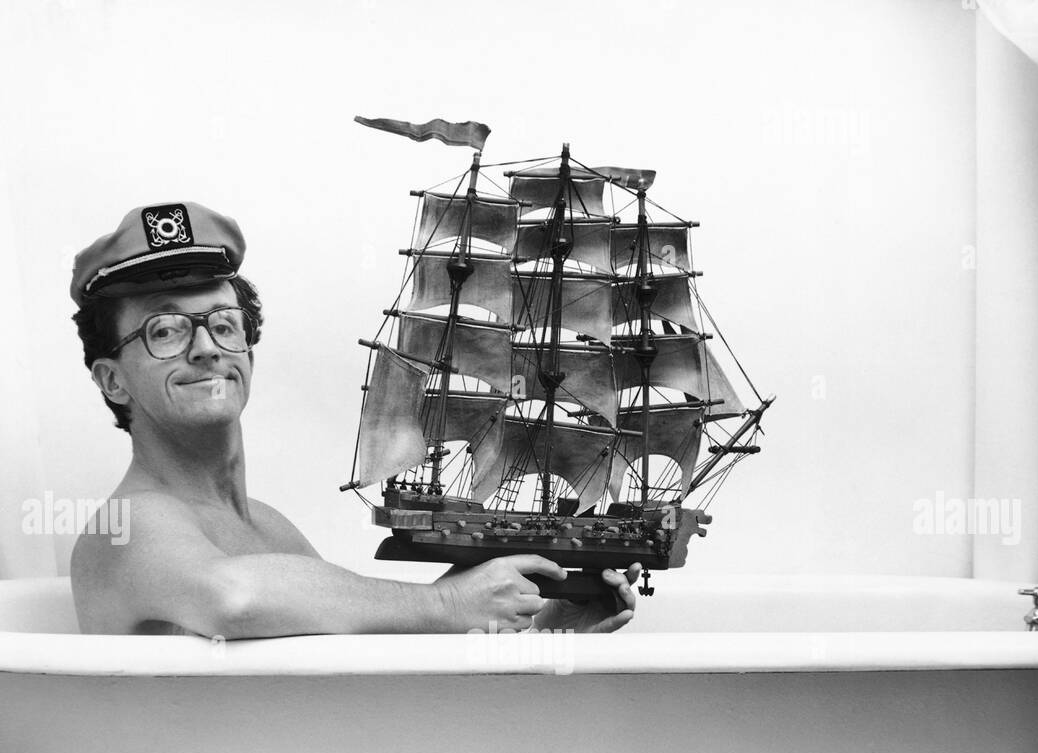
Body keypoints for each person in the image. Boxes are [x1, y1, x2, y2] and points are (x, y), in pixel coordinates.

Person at [68, 201, 639, 638]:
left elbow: (353, 659)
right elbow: (230, 598)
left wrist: (542, 616)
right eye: (164, 331)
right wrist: (445, 603)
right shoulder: (127, 525)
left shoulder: (269, 528)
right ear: (111, 379)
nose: (205, 348)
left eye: (223, 322)